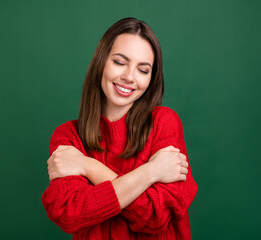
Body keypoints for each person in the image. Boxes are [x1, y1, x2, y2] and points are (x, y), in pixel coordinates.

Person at [41, 17, 198, 240]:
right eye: (119, 62)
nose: (129, 77)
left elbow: (155, 217)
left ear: (151, 78)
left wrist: (87, 166)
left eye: (143, 70)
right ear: (101, 62)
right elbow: (69, 214)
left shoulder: (165, 123)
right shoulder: (68, 137)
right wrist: (151, 172)